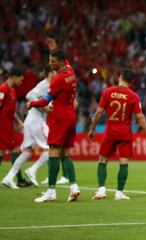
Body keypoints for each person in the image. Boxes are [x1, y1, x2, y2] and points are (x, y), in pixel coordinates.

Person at [27, 38, 80, 203]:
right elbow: (65, 59)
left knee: (53, 153)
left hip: (59, 118)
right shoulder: (70, 71)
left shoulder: (57, 80)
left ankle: (51, 192)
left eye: (53, 61)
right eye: (50, 60)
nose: (50, 64)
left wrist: (31, 103)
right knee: (65, 153)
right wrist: (54, 48)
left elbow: (44, 101)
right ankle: (74, 187)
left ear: (61, 62)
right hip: (71, 116)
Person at [88, 68, 146, 200]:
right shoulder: (133, 96)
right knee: (123, 162)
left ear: (120, 77)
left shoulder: (108, 92)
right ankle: (119, 192)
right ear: (131, 82)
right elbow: (140, 116)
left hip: (110, 132)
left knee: (102, 160)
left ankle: (101, 190)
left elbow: (98, 113)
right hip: (125, 133)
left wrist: (92, 129)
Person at [2, 69, 54, 188]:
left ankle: (9, 177)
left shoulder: (51, 86)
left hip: (30, 121)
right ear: (50, 73)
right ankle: (32, 170)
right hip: (36, 121)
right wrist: (42, 105)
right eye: (54, 72)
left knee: (28, 150)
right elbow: (29, 95)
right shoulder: (44, 84)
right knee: (52, 148)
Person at [0, 68, 30, 188]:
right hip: (2, 126)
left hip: (8, 126)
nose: (21, 82)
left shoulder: (12, 91)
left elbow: (11, 111)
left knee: (15, 150)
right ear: (13, 76)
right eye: (20, 79)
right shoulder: (3, 89)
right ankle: (18, 179)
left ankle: (19, 179)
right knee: (8, 151)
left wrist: (19, 122)